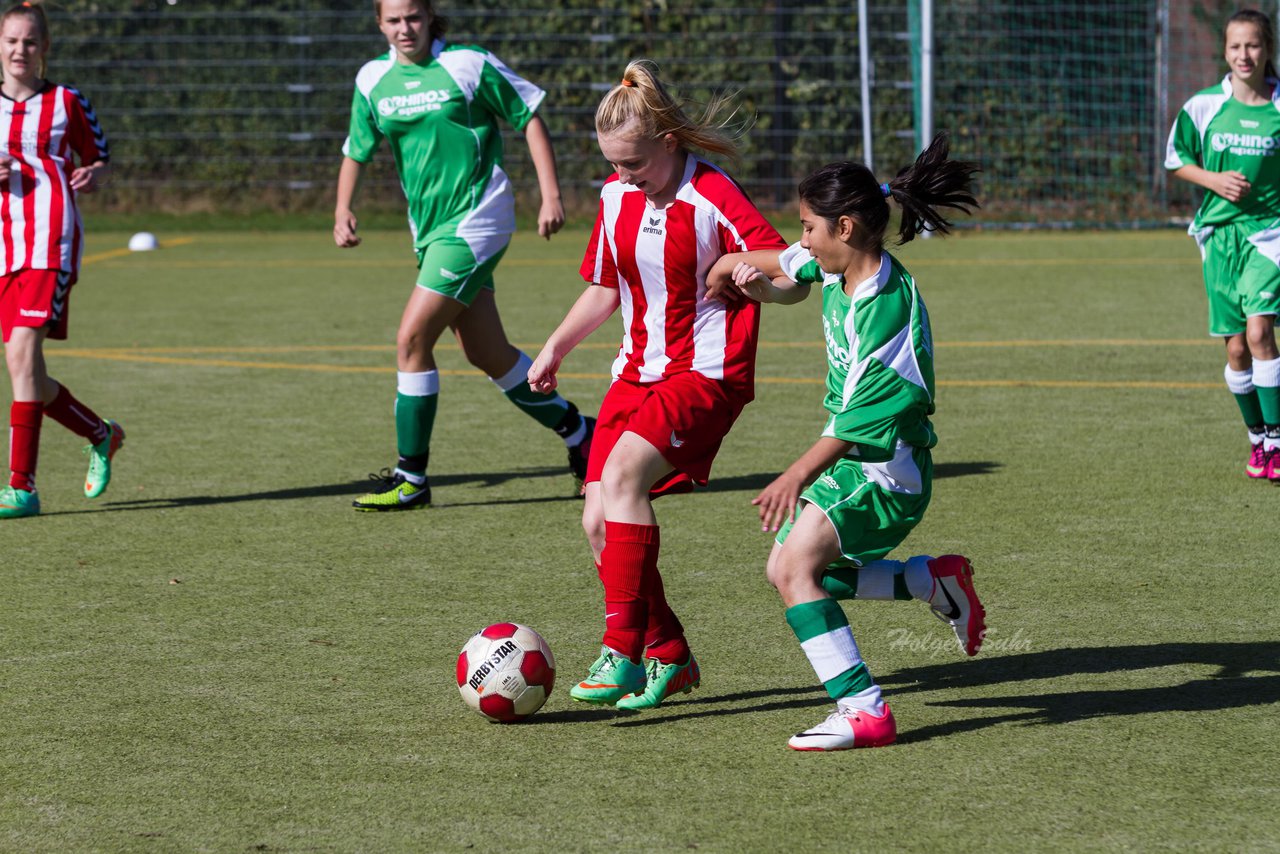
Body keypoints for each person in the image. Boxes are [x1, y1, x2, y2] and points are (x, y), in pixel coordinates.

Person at [704, 132, 985, 750]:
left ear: (847, 227)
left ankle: (865, 711)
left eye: (808, 227)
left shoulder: (884, 310)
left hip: (888, 472)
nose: (801, 239)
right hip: (857, 463)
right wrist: (737, 275)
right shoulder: (838, 263)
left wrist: (793, 475)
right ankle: (925, 581)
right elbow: (786, 272)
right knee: (785, 569)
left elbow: (857, 423)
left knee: (798, 567)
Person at [528, 60, 786, 710]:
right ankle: (671, 654)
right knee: (596, 521)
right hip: (633, 377)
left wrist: (762, 282)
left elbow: (788, 273)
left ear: (668, 142)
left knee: (620, 484)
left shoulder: (713, 194)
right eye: (613, 164)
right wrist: (557, 344)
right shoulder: (617, 200)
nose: (622, 177)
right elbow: (604, 286)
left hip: (705, 374)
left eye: (633, 164)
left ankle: (622, 652)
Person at [334, 0, 592, 511]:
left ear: (429, 18)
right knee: (487, 352)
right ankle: (582, 432)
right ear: (379, 24)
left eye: (413, 17)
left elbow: (529, 114)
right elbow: (356, 149)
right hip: (429, 231)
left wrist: (551, 194)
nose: (405, 28)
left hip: (478, 218)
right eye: (393, 20)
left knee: (411, 338)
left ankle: (411, 478)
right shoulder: (371, 79)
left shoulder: (467, 64)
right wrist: (342, 209)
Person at [0, 0, 121, 520]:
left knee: (23, 355)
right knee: (26, 371)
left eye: (30, 41)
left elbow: (99, 158)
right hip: (7, 248)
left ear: (44, 48)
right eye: (11, 41)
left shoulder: (68, 102)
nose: (20, 50)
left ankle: (21, 488)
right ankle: (101, 433)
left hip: (53, 241)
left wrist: (94, 174)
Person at [1167, 9, 1280, 479]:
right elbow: (1176, 159)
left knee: (1259, 335)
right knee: (1236, 351)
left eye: (1252, 45)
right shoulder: (1204, 105)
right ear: (1225, 51)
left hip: (1270, 233)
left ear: (1267, 47)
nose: (1244, 55)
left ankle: (1276, 439)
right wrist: (1213, 179)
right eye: (1235, 46)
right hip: (1218, 238)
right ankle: (1257, 440)